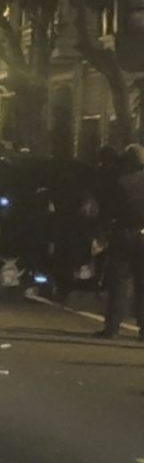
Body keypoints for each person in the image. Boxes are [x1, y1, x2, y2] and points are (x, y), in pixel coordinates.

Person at [97, 144, 144, 340]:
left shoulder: (119, 181)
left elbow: (109, 209)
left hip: (124, 234)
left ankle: (113, 327)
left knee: (120, 283)